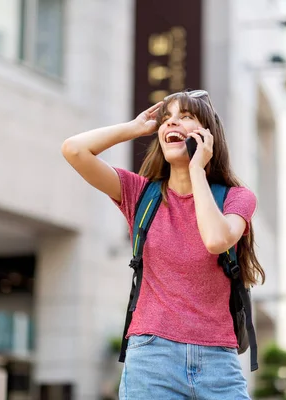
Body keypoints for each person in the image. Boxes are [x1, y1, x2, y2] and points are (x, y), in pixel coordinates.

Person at [61, 89, 265, 399]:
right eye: (166, 119)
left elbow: (215, 239)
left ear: (208, 136)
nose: (172, 124)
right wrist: (135, 127)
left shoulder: (236, 198)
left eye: (185, 117)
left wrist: (196, 169)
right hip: (151, 360)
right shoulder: (139, 194)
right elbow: (74, 150)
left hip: (218, 362)